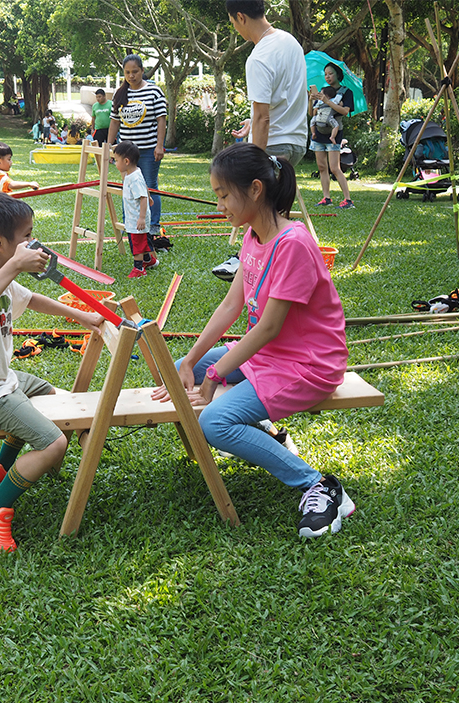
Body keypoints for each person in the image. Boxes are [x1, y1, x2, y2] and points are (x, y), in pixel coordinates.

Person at [152, 143, 353, 539]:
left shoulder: (292, 244)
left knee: (214, 420)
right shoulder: (253, 237)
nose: (221, 204)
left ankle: (318, 484)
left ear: (256, 189)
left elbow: (267, 329)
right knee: (178, 369)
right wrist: (193, 361)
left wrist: (215, 375)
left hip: (308, 364)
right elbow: (230, 306)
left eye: (224, 195)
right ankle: (265, 429)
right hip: (270, 356)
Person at [0, 192, 104, 552]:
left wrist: (81, 316)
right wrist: (15, 266)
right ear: (0, 244)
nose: (33, 245)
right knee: (54, 443)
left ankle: (0, 469)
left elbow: (30, 299)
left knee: (50, 395)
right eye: (26, 238)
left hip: (1, 378)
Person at [227, 0, 308, 162]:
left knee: (260, 186)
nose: (235, 28)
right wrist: (253, 123)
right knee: (286, 187)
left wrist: (255, 162)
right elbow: (287, 96)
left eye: (232, 22)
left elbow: (262, 118)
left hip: (273, 145)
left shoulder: (258, 57)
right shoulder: (290, 42)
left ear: (241, 17)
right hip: (297, 143)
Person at [107, 54, 168, 244]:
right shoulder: (120, 94)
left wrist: (159, 145)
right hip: (126, 152)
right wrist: (109, 146)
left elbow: (161, 120)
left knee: (149, 186)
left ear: (142, 71)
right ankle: (132, 227)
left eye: (135, 72)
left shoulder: (154, 91)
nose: (131, 76)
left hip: (149, 149)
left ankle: (152, 228)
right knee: (129, 188)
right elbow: (114, 122)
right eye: (127, 72)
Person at [309, 62, 355, 209]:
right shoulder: (323, 91)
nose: (328, 77)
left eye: (331, 74)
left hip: (333, 134)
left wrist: (327, 101)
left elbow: (345, 111)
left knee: (334, 168)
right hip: (318, 134)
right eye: (326, 74)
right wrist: (311, 101)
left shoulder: (346, 92)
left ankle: (348, 200)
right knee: (322, 167)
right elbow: (312, 114)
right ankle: (326, 198)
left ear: (338, 74)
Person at [113, 140, 158, 278]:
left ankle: (139, 269)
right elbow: (144, 188)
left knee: (137, 243)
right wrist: (149, 196)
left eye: (116, 160)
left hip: (137, 218)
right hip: (134, 216)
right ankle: (149, 260)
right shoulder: (132, 173)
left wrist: (142, 218)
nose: (115, 163)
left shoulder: (134, 178)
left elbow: (142, 197)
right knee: (142, 240)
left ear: (126, 161)